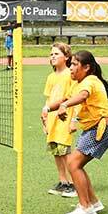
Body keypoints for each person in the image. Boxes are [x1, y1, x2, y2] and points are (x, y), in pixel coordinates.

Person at [42, 51, 108, 214]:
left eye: (75, 64)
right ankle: (93, 202)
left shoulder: (90, 81)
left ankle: (85, 206)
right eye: (71, 64)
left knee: (73, 163)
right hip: (92, 129)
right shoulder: (79, 83)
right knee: (76, 164)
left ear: (87, 67)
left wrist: (66, 105)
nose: (71, 68)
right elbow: (63, 100)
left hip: (100, 129)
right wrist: (47, 109)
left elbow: (82, 96)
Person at [42, 43, 76, 198]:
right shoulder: (51, 77)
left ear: (66, 57)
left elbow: (72, 97)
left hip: (64, 117)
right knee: (56, 150)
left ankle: (74, 183)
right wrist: (45, 116)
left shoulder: (70, 74)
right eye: (51, 54)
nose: (53, 57)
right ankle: (63, 182)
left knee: (65, 150)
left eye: (56, 54)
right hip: (52, 118)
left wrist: (74, 120)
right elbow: (49, 98)